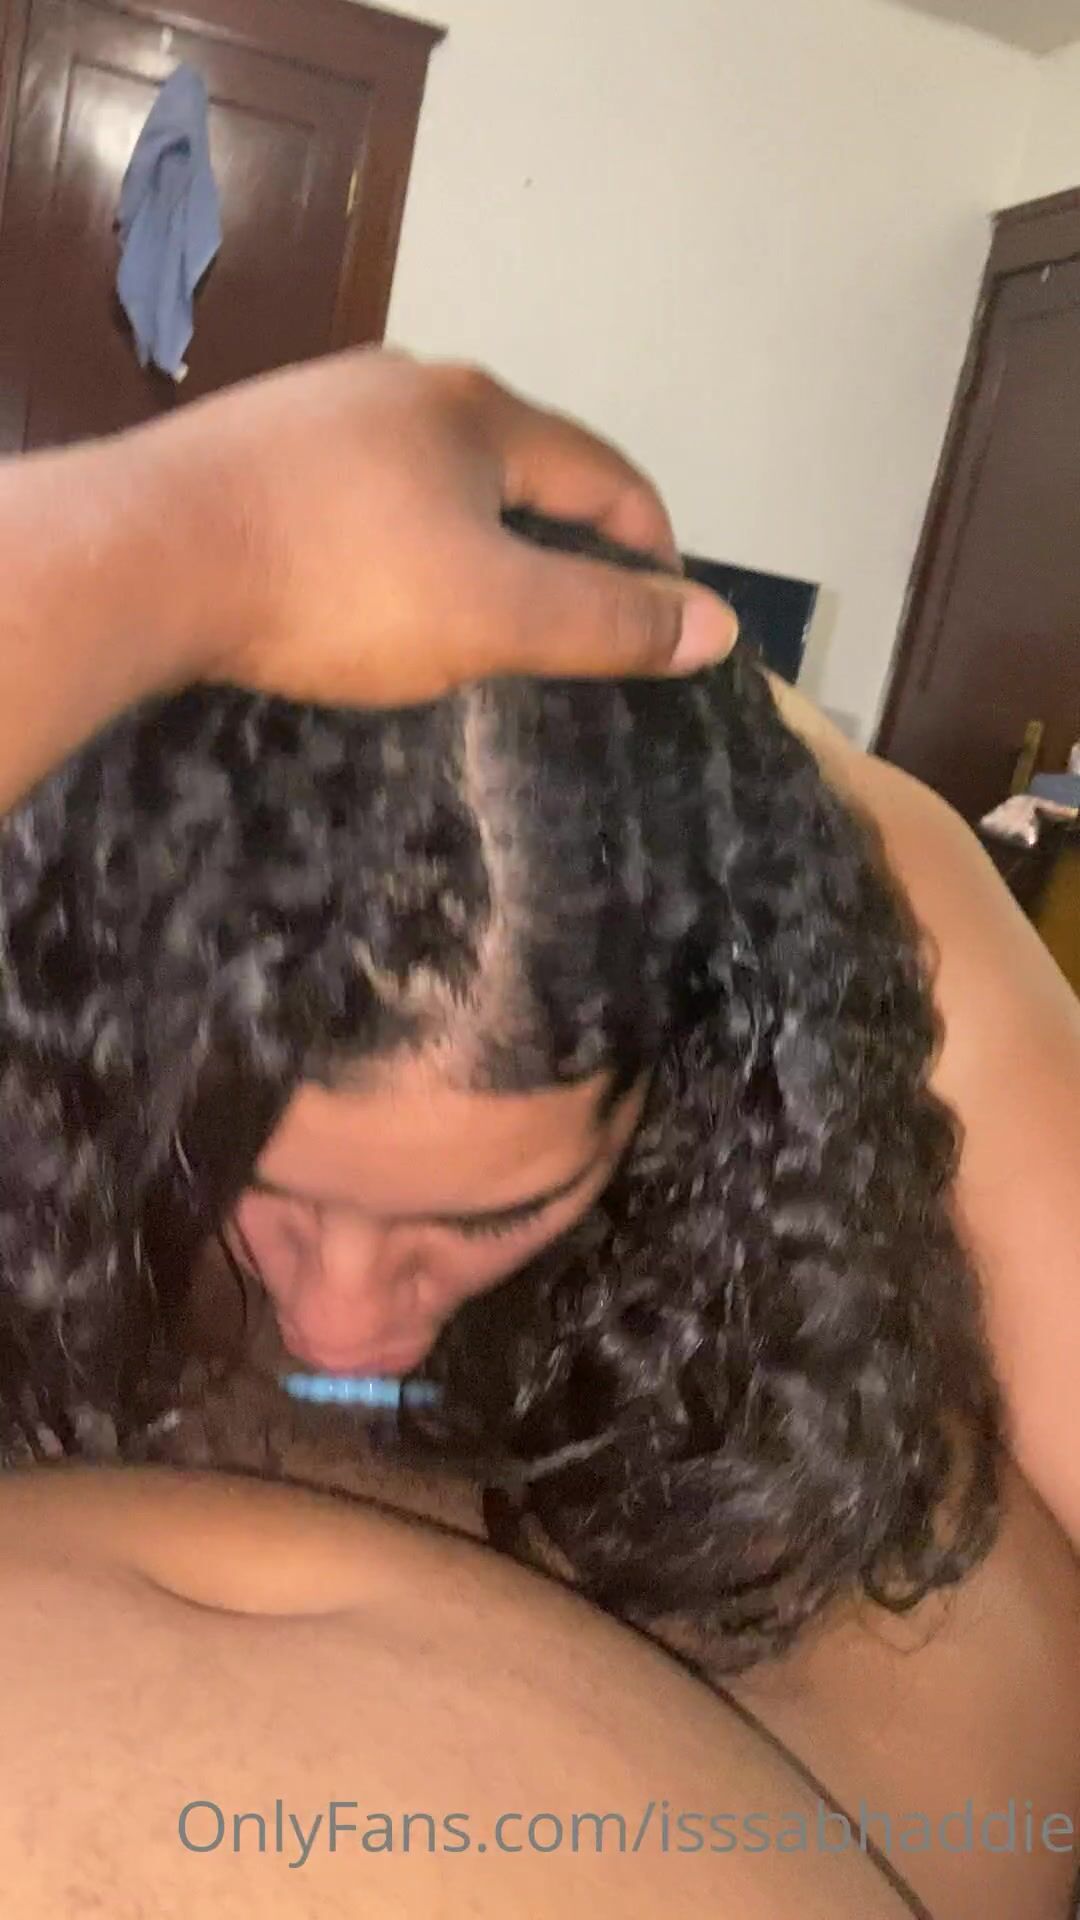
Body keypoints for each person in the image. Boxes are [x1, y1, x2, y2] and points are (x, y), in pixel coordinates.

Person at [0, 350, 1075, 1920]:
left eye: (492, 1213)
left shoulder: (864, 910)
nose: (340, 1321)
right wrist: (194, 534)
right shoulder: (64, 903)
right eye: (268, 1195)